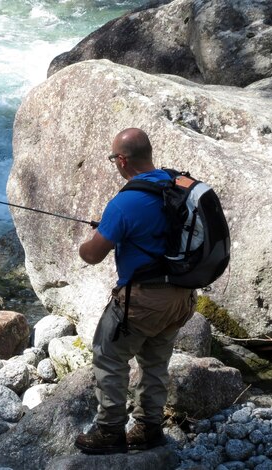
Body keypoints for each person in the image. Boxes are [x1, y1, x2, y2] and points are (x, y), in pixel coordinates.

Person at [74, 128, 196, 454]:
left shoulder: (124, 203)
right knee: (155, 362)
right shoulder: (176, 184)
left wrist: (95, 236)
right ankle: (148, 428)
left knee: (108, 354)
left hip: (143, 300)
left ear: (123, 160)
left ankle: (110, 432)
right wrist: (113, 227)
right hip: (182, 296)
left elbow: (93, 254)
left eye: (114, 158)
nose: (115, 162)